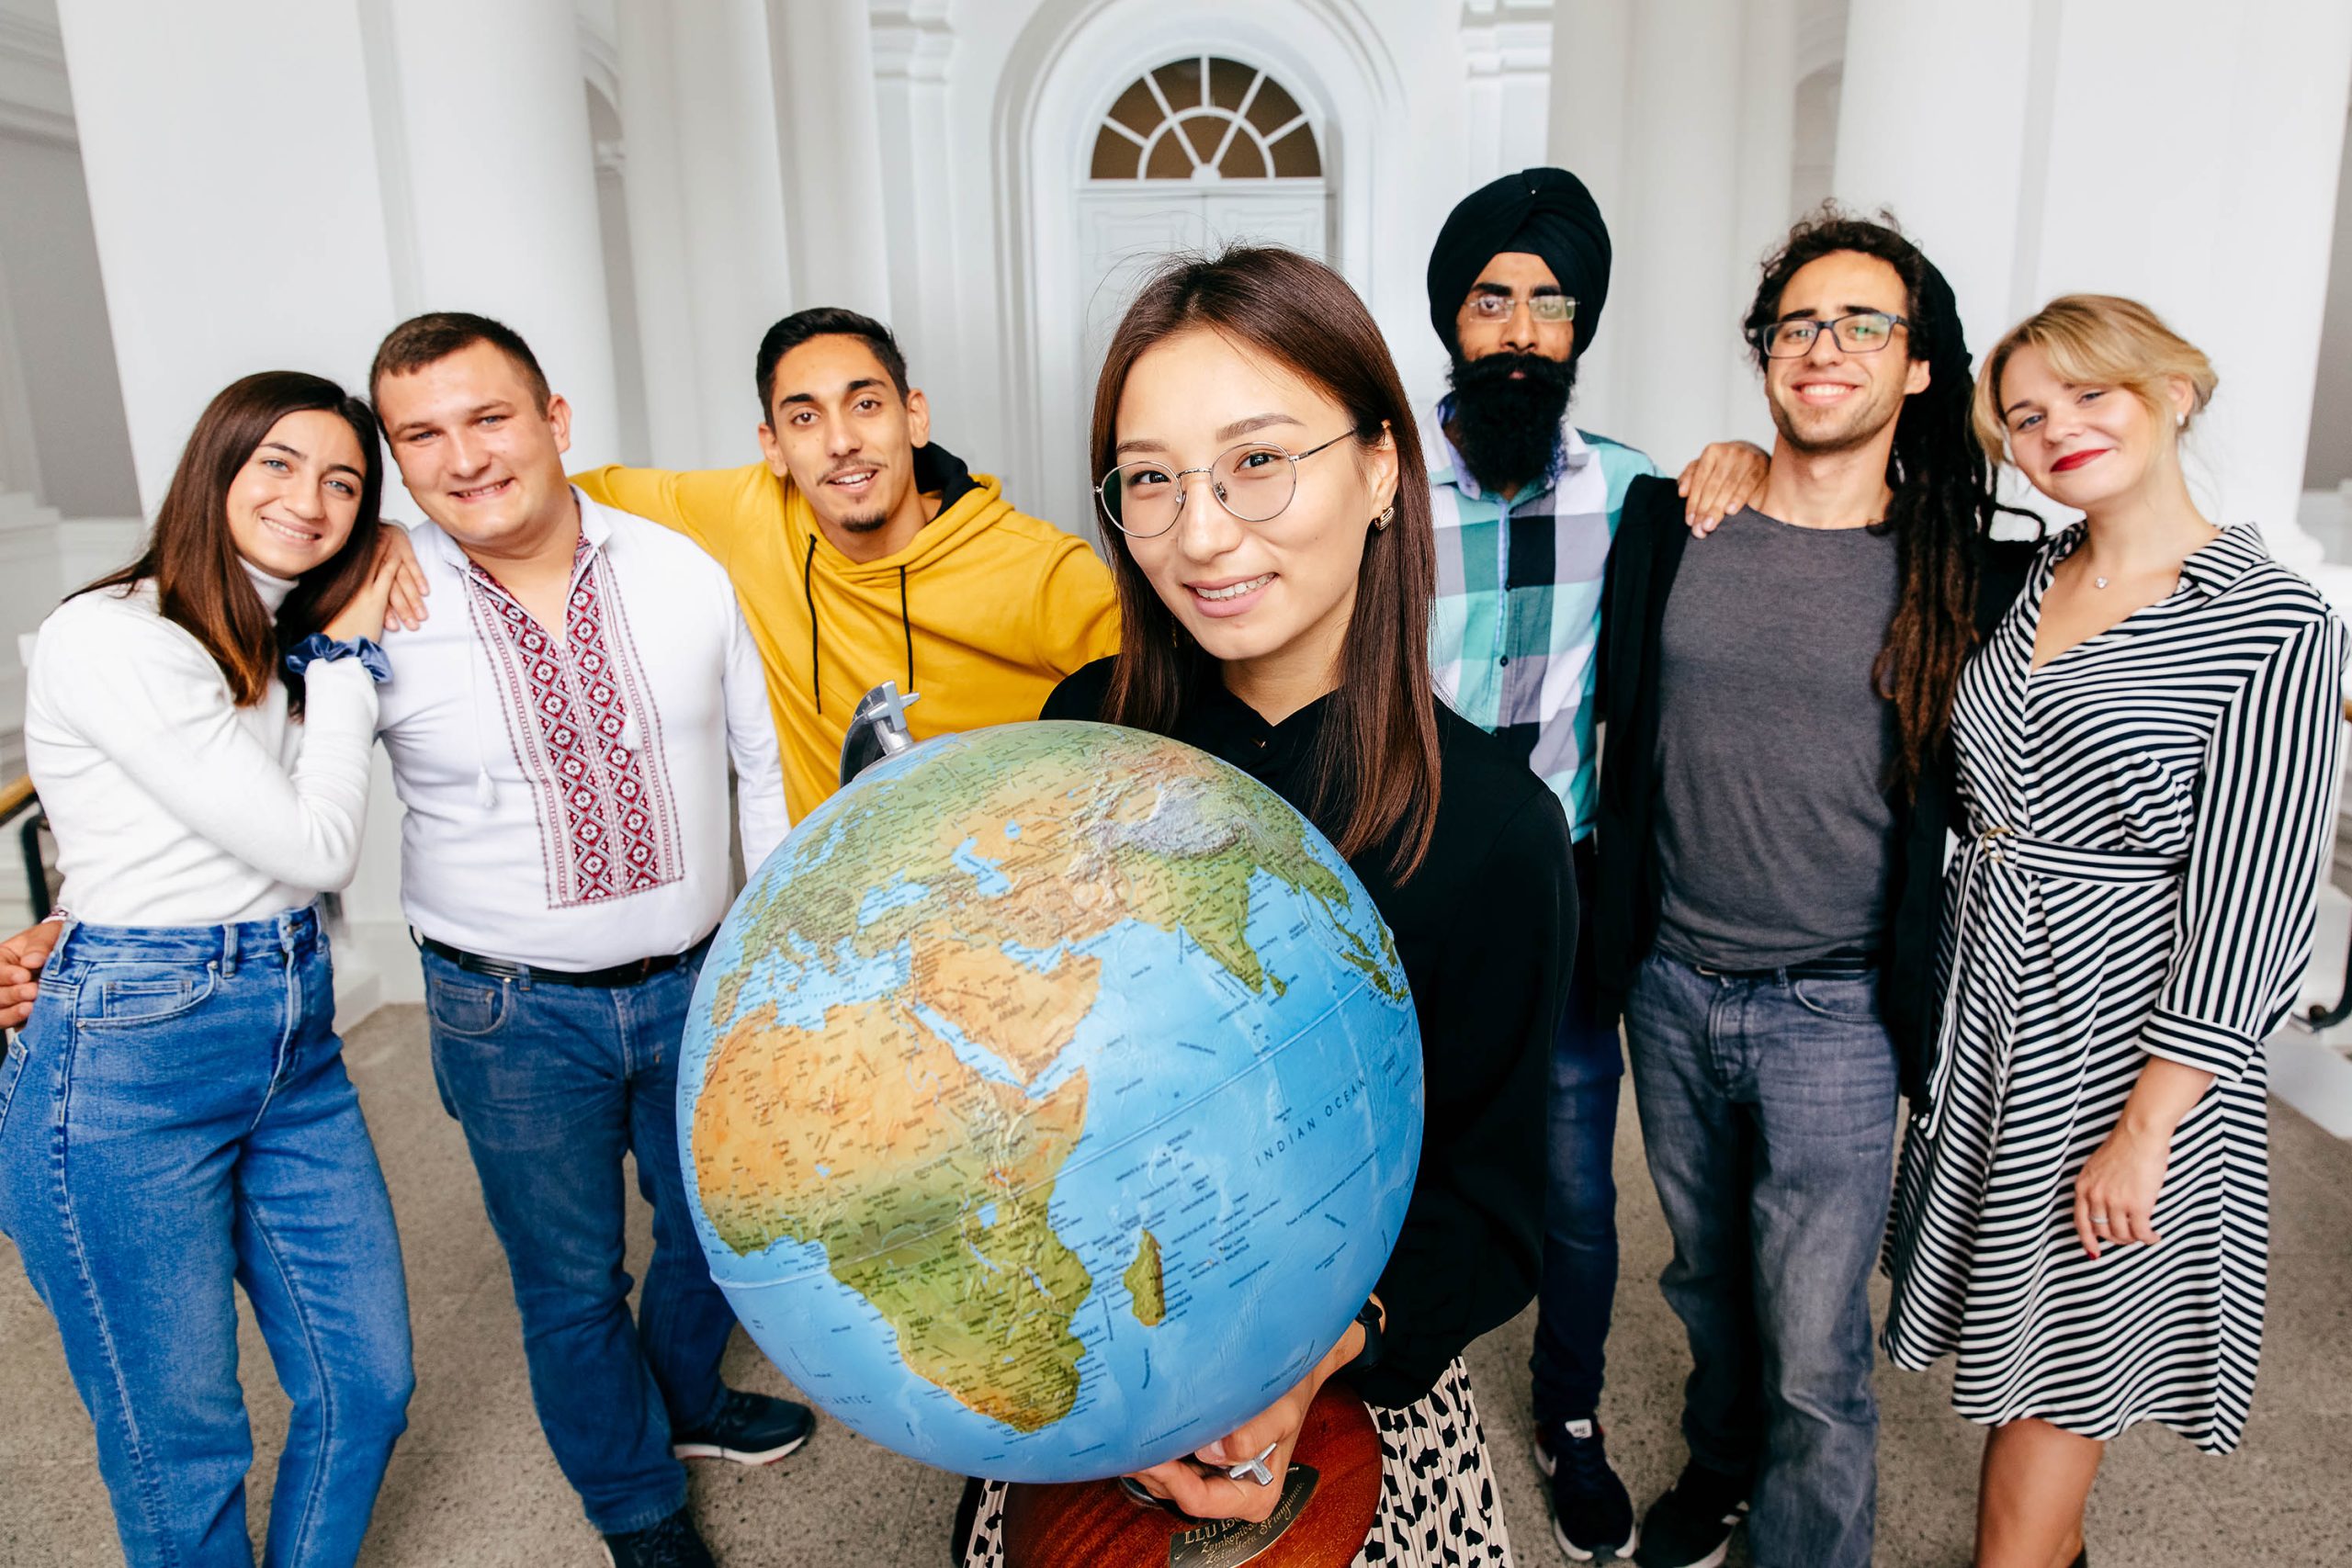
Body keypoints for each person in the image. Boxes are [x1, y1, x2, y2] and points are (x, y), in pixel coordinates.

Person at [951, 245, 1573, 1566]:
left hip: (1343, 1391)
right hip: (1089, 1339)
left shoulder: (1496, 830)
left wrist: (1299, 1364)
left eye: (1256, 460)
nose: (1201, 531)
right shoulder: (1079, 737)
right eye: (1152, 478)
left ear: (1384, 467)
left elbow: (1495, 1212)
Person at [1588, 209, 2036, 1568]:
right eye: (1798, 323)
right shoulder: (1676, 522)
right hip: (1667, 984)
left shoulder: (1971, 568)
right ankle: (1718, 1464)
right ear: (1765, 355)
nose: (1824, 346)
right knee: (1706, 1280)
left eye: (1864, 324)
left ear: (1917, 369)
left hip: (1835, 1012)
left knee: (1818, 1343)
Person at [1883, 297, 2346, 1568]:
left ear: (2174, 393)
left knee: (2062, 1367)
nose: (2058, 429)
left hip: (2128, 1044)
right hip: (2001, 1013)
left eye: (2091, 395)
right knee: (2034, 1345)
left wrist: (2150, 1124)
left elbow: (2255, 899)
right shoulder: (2036, 578)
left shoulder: (2271, 619)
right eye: (2027, 416)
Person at [367, 313, 803, 1568]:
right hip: (509, 1013)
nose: (463, 457)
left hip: (696, 982)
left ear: (556, 421)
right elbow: (264, 753)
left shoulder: (680, 572)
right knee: (568, 1281)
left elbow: (759, 764)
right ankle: (638, 1505)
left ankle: (689, 1401)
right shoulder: (376, 605)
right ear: (400, 459)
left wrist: (767, 945)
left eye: (488, 417)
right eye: (421, 435)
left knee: (720, 1225)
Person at [0, 371, 415, 1567]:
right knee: (181, 1442)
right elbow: (313, 845)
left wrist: (368, 570)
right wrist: (350, 667)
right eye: (278, 462)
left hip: (290, 1038)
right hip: (128, 1057)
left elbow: (150, 833)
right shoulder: (115, 633)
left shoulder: (272, 640)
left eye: (344, 479)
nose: (312, 497)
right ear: (214, 466)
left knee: (369, 1381)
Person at [1421, 165, 1768, 1562]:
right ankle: (1388, 1387)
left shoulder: (1637, 493)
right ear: (1451, 314)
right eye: (1491, 298)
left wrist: (1737, 453)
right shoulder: (1373, 479)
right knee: (1383, 1146)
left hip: (1558, 892)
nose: (1517, 327)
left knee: (1573, 1177)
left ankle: (1569, 1417)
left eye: (1547, 305)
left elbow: (1778, 519)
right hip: (1404, 872)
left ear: (1580, 329)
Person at [574, 307, 1121, 821]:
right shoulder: (752, 512)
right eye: (805, 417)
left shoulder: (1041, 570)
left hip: (1004, 884)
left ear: (914, 417)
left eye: (865, 404)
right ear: (774, 448)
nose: (841, 442)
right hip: (837, 898)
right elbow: (572, 491)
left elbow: (1176, 710)